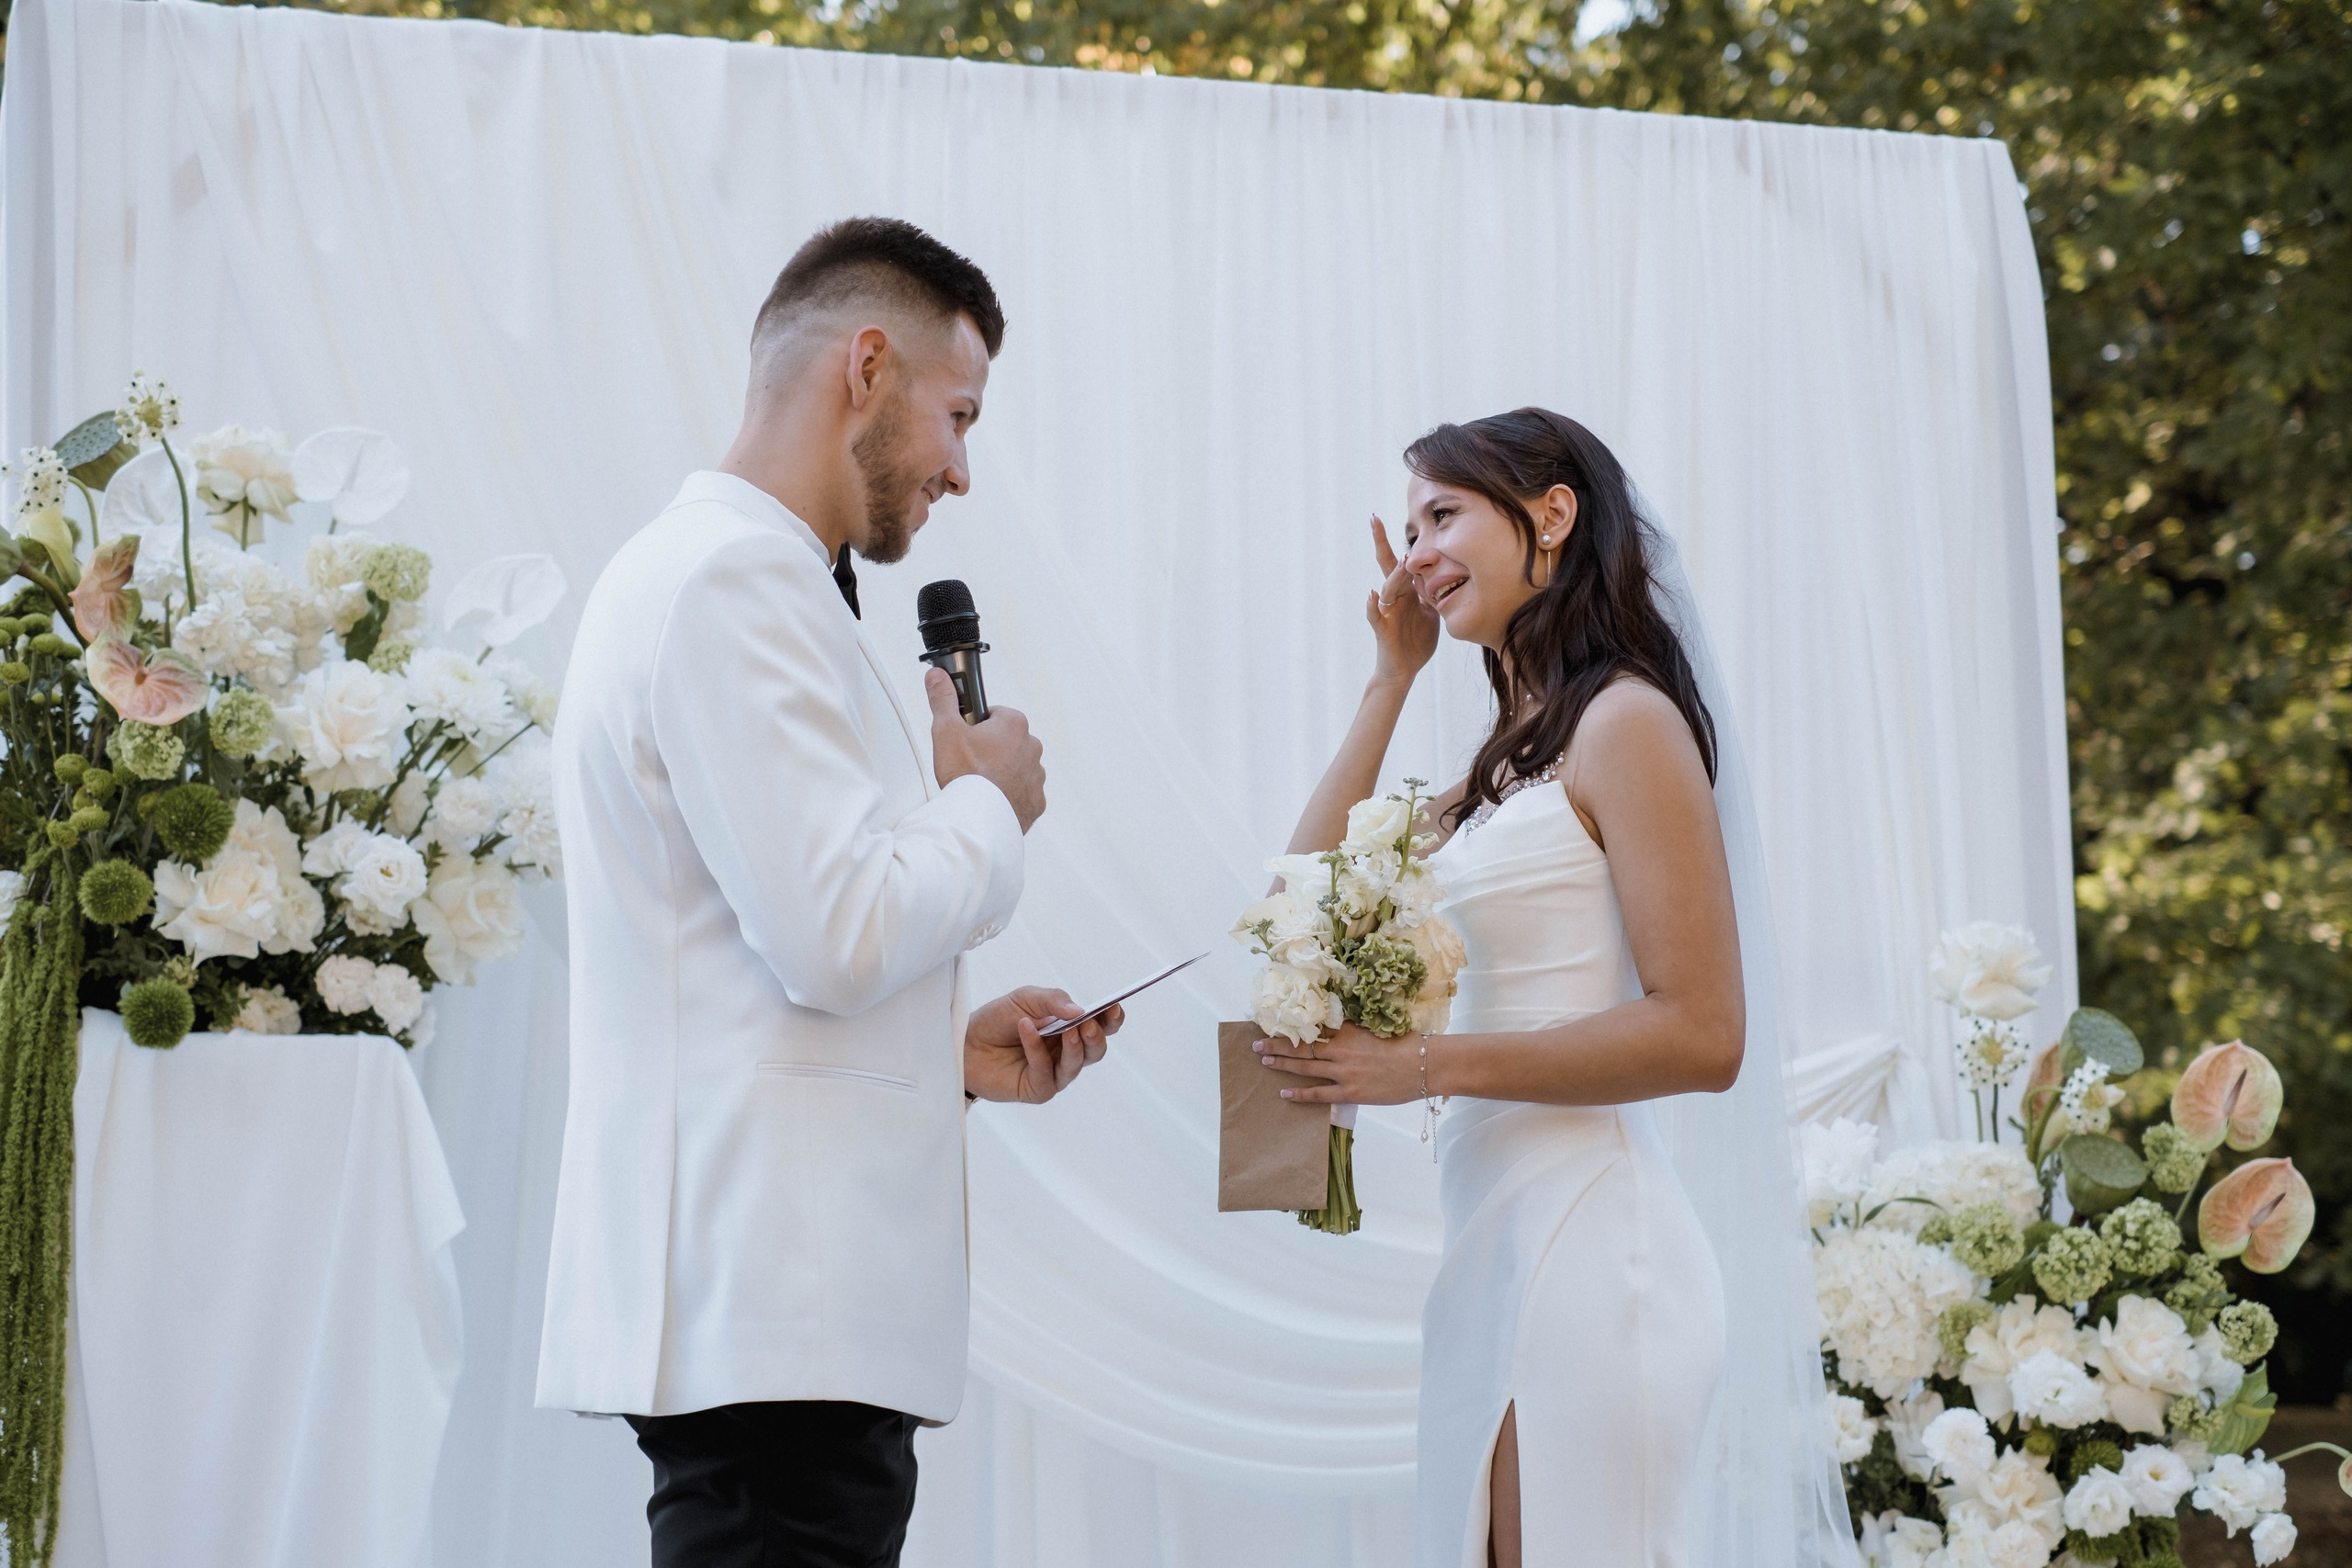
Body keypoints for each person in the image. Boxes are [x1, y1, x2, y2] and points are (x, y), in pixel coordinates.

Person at [537, 217, 1122, 1568]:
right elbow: (840, 932)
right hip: (778, 1326)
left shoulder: (734, 576)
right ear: (867, 364)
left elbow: (750, 940)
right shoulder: (738, 580)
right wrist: (989, 798)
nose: (962, 470)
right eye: (958, 416)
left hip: (776, 1318)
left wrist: (948, 1051)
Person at [1256, 409, 1842, 1568]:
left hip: (1592, 1242)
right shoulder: (1501, 765)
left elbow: (1703, 1033)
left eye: (1443, 514)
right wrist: (1388, 681)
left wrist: (1421, 1065)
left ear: (1552, 517)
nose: (1414, 550)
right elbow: (1297, 914)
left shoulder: (1628, 723)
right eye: (1409, 519)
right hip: (1492, 1237)